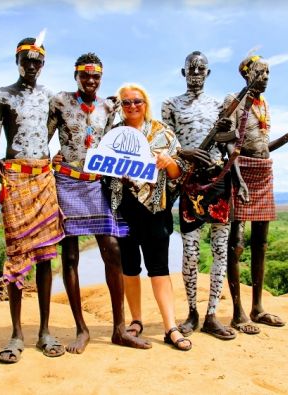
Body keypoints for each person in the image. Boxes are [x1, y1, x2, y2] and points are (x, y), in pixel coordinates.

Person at [47, 53, 151, 353]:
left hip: (95, 184)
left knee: (112, 250)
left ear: (101, 78)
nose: (91, 81)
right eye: (85, 75)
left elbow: (111, 147)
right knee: (69, 257)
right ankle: (81, 329)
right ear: (76, 75)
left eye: (96, 76)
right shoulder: (61, 101)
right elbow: (44, 138)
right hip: (65, 182)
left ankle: (120, 328)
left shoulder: (108, 106)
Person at [0, 36, 65, 362]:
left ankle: (45, 331)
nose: (32, 66)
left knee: (46, 257)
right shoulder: (3, 96)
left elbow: (72, 130)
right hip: (15, 181)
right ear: (17, 60)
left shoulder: (50, 97)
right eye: (26, 60)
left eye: (37, 61)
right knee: (17, 256)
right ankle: (17, 334)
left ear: (43, 64)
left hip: (44, 178)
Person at [224, 55, 288, 334]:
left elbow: (263, 146)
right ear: (247, 75)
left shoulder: (264, 104)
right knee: (236, 241)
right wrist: (237, 179)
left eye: (269, 72)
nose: (266, 76)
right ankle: (237, 313)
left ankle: (257, 308)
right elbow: (229, 146)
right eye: (261, 72)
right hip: (240, 171)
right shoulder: (234, 102)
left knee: (261, 242)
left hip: (264, 169)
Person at [108, 83, 192, 351]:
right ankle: (136, 321)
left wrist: (169, 163)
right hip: (122, 209)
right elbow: (99, 166)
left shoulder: (163, 133)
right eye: (126, 102)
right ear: (120, 106)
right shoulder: (113, 134)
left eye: (137, 101)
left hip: (156, 209)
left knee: (159, 268)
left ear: (145, 102)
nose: (132, 106)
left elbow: (180, 172)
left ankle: (170, 327)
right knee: (129, 268)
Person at [161, 51, 237, 340]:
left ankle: (212, 314)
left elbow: (229, 145)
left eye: (201, 68)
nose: (195, 72)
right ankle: (192, 312)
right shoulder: (171, 105)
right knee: (190, 251)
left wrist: (237, 177)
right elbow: (166, 141)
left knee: (220, 249)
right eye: (190, 68)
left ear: (208, 73)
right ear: (182, 73)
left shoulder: (220, 106)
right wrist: (184, 151)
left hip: (219, 180)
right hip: (190, 182)